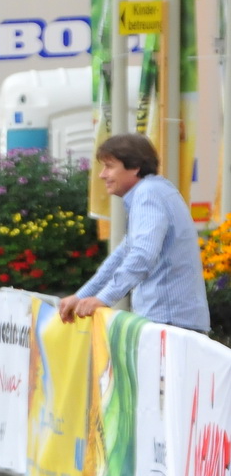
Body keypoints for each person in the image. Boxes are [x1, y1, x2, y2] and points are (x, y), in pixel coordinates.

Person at [59, 133, 209, 331]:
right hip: (171, 322)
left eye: (109, 166)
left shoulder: (148, 194)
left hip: (170, 325)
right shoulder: (152, 191)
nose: (102, 174)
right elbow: (122, 256)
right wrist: (83, 296)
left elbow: (142, 255)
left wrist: (103, 298)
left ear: (135, 167)